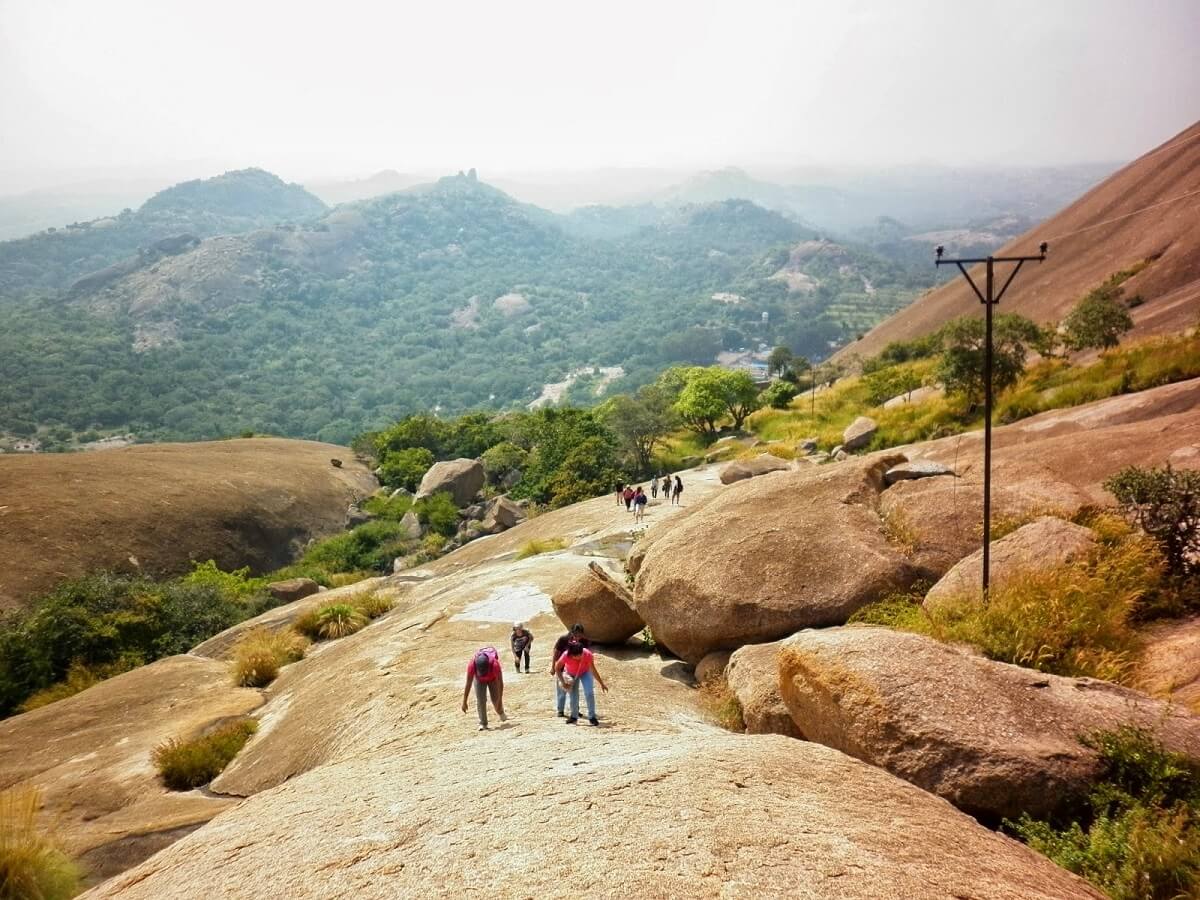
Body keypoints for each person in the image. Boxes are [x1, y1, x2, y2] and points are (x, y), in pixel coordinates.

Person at [554, 639, 608, 726]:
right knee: (573, 696)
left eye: (581, 653)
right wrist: (563, 681)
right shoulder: (565, 655)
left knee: (589, 693)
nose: (580, 656)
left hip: (585, 673)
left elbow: (593, 670)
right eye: (578, 655)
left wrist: (601, 683)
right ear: (572, 655)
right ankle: (574, 716)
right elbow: (557, 668)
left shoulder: (587, 654)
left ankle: (592, 717)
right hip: (571, 674)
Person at [462, 646, 507, 730]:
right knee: (481, 699)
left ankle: (501, 712)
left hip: (493, 679)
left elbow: (500, 683)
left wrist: (500, 700)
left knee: (495, 698)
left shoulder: (495, 664)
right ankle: (483, 723)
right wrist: (464, 701)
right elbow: (468, 683)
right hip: (479, 680)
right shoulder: (472, 665)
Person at [550, 624, 590, 717]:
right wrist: (553, 667)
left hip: (575, 670)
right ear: (571, 632)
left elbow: (585, 656)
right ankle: (560, 710)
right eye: (576, 634)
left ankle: (575, 710)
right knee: (561, 689)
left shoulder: (584, 641)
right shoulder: (564, 639)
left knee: (575, 690)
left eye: (579, 635)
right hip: (562, 668)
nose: (577, 637)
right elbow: (556, 653)